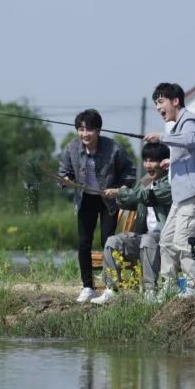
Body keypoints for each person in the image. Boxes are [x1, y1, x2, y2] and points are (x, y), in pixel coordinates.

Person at [143, 82, 195, 300]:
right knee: (167, 241)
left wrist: (161, 137)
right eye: (156, 104)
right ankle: (169, 286)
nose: (158, 108)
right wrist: (173, 160)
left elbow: (190, 140)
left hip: (194, 193)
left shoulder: (189, 120)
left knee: (184, 243)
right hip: (182, 196)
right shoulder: (178, 126)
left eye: (161, 102)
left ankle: (194, 289)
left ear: (175, 101)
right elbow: (189, 151)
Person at [58, 109, 136, 303]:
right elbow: (64, 172)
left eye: (89, 130)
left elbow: (130, 172)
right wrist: (66, 180)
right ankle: (87, 287)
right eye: (81, 129)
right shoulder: (71, 149)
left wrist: (119, 189)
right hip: (85, 199)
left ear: (98, 130)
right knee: (83, 243)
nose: (85, 134)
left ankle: (110, 287)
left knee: (107, 242)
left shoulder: (114, 148)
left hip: (108, 199)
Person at [90, 142, 172, 304]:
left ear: (164, 163)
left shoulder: (169, 183)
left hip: (167, 238)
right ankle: (111, 290)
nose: (148, 165)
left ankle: (151, 291)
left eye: (153, 160)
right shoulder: (145, 181)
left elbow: (144, 196)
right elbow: (130, 201)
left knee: (148, 240)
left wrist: (121, 192)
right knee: (112, 241)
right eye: (146, 160)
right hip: (144, 237)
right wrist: (116, 195)